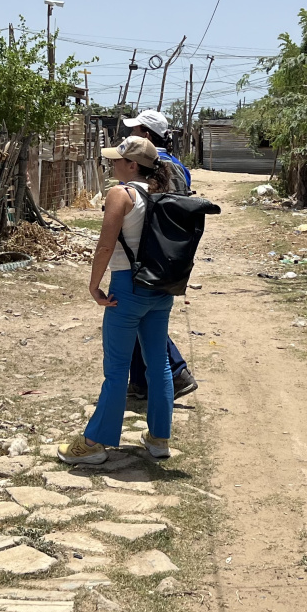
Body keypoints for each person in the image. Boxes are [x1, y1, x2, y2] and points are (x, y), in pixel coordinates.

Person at [58, 134, 174, 465]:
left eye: (117, 159)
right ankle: (158, 438)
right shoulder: (160, 193)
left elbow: (105, 246)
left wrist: (95, 286)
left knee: (117, 368)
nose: (112, 164)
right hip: (160, 288)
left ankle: (94, 443)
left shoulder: (120, 194)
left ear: (132, 164)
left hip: (127, 287)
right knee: (159, 364)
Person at [120, 109, 198, 399]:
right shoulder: (178, 166)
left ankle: (176, 373)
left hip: (145, 252)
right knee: (143, 317)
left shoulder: (148, 166)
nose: (130, 135)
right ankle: (141, 382)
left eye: (135, 130)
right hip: (171, 252)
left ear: (147, 136)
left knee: (138, 316)